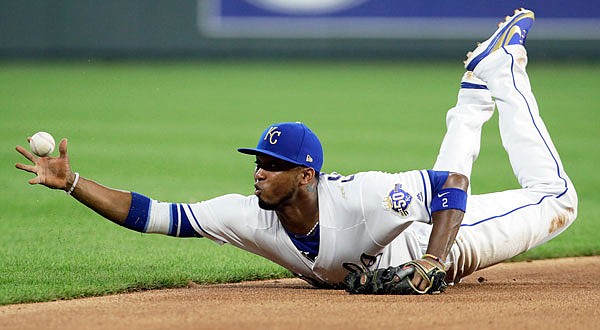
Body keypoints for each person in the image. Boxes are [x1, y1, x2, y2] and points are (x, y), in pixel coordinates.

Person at [15, 8, 577, 294]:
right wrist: (72, 183)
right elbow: (149, 215)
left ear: (306, 176)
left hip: (447, 240)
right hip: (404, 244)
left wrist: (432, 260)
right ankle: (481, 87)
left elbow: (451, 186)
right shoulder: (245, 216)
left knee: (558, 201)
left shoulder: (363, 197)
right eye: (258, 162)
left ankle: (496, 79)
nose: (259, 173)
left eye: (273, 166)